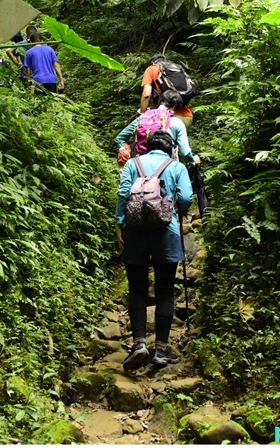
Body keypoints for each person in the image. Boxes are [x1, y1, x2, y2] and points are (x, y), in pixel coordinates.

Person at [115, 129, 193, 371]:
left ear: (146, 147)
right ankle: (160, 349)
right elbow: (188, 198)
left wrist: (119, 226)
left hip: (134, 231)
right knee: (165, 290)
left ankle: (139, 344)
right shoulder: (176, 167)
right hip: (166, 233)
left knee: (136, 288)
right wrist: (175, 203)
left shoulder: (132, 164)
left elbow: (122, 194)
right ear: (171, 149)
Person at [114, 89, 199, 168]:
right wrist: (193, 161)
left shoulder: (143, 117)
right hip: (164, 167)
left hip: (139, 166)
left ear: (160, 101)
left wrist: (125, 150)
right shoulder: (177, 122)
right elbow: (185, 152)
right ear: (175, 106)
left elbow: (119, 138)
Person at [140, 54, 193, 129]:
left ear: (153, 63)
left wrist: (142, 114)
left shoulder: (151, 69)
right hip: (187, 117)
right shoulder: (177, 69)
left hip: (166, 117)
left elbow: (146, 94)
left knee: (160, 140)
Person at [22, 25, 65, 94]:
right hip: (51, 80)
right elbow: (56, 65)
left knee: (39, 102)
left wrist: (27, 85)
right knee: (52, 102)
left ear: (30, 41)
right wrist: (61, 80)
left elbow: (28, 71)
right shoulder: (50, 49)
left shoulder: (29, 53)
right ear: (41, 40)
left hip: (37, 81)